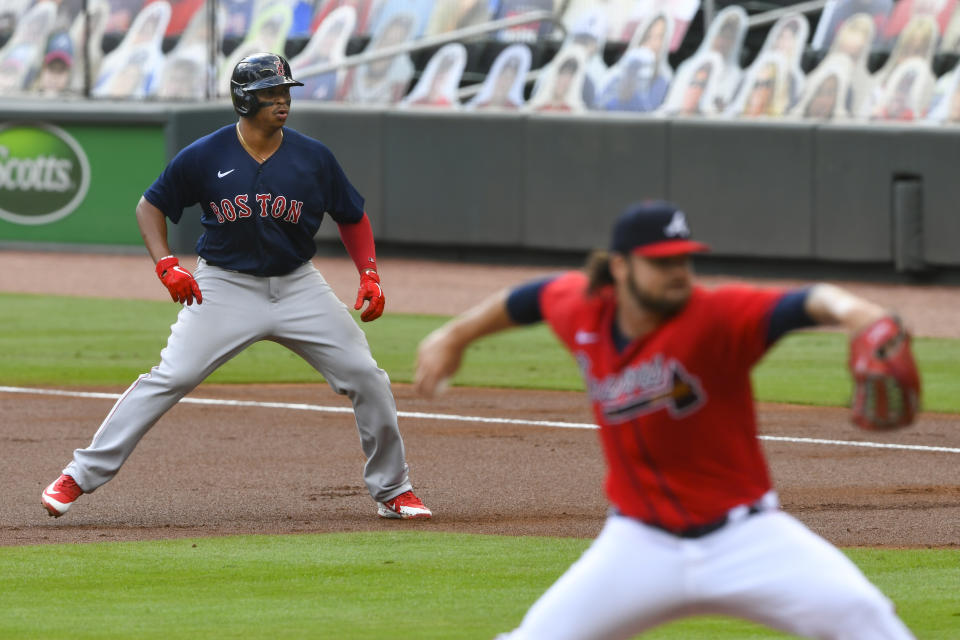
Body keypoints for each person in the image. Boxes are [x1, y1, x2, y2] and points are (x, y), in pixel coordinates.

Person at [414, 201, 918, 639]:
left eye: (684, 260)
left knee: (865, 617)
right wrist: (453, 336)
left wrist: (862, 315)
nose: (678, 272)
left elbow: (811, 300)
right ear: (619, 268)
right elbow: (532, 297)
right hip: (639, 544)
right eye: (661, 262)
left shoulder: (717, 316)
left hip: (747, 539)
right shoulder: (584, 311)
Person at [41, 52, 432, 522]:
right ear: (243, 101)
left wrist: (369, 273)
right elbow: (150, 207)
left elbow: (351, 216)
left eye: (285, 91)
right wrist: (167, 264)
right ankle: (77, 476)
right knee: (171, 377)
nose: (282, 100)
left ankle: (393, 489)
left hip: (298, 286)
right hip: (224, 286)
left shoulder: (313, 156)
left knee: (367, 377)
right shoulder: (207, 153)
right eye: (271, 93)